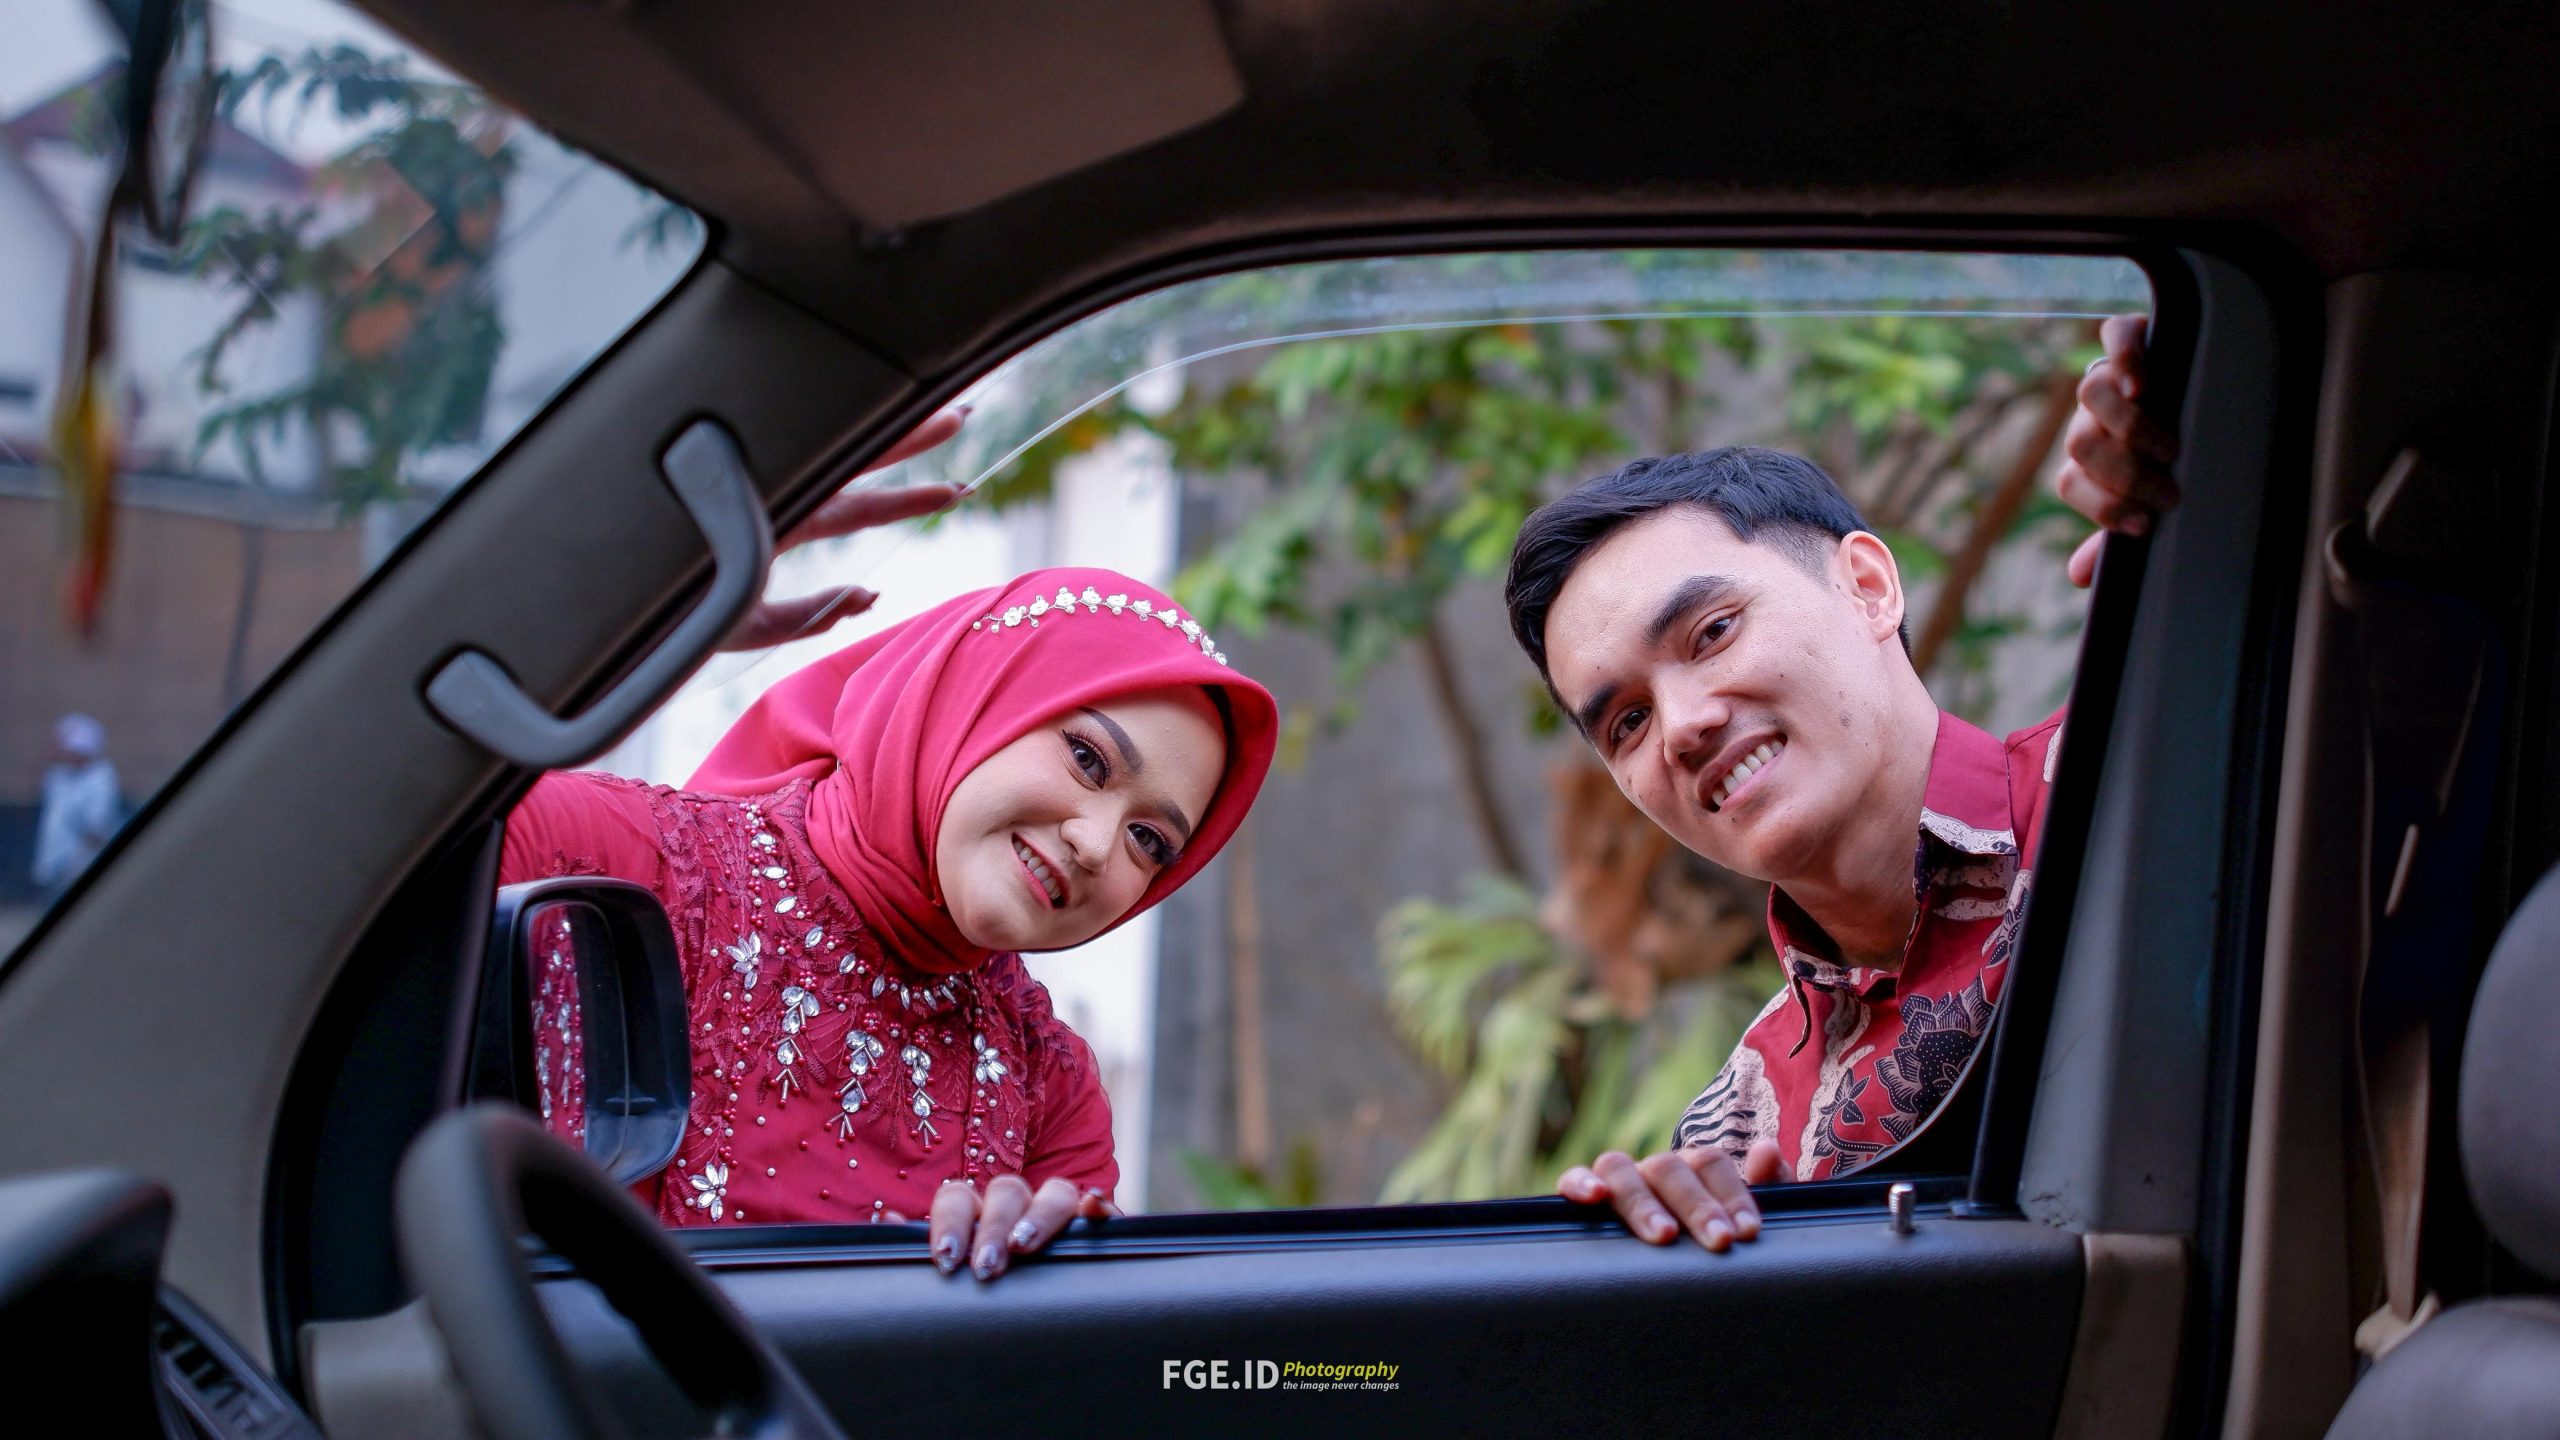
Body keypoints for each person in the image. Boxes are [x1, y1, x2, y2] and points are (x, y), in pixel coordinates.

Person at [1504, 316, 2179, 1250]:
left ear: (1867, 586)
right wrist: (1675, 1259)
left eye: (1712, 632)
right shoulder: (1737, 1126)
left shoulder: (2133, 782)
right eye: (1628, 722)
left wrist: (2197, 480)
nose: (1684, 726)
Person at [502, 557, 1278, 1280]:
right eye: (1087, 759)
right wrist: (612, 612)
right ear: (971, 700)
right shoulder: (592, 856)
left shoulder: (1050, 1090)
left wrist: (1032, 1280)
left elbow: (1064, 1362)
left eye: (1150, 841)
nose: (1096, 844)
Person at [31, 713, 120, 903]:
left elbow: (96, 829)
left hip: (77, 870)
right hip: (53, 865)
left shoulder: (100, 780)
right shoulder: (60, 775)